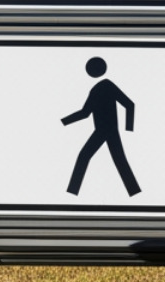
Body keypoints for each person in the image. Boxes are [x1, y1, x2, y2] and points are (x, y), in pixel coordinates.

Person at [60, 56, 141, 196]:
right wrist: (64, 121)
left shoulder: (105, 85)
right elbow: (85, 113)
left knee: (84, 156)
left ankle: (72, 191)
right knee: (118, 159)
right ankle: (134, 191)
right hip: (105, 130)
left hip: (105, 130)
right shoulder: (97, 89)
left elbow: (129, 104)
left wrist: (129, 128)